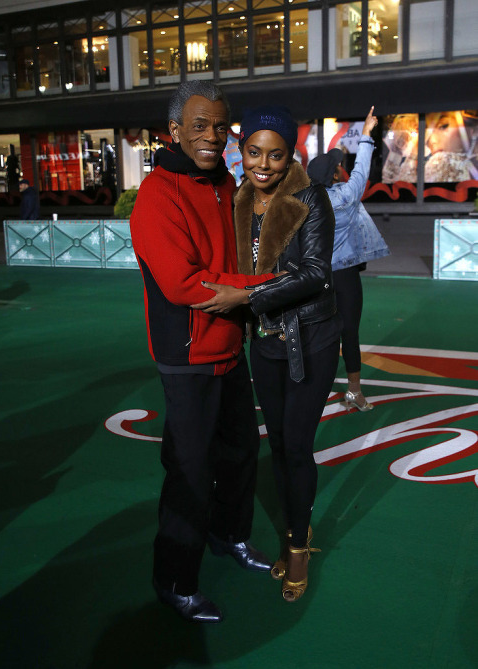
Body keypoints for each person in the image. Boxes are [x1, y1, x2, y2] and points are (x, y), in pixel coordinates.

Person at [130, 81, 276, 624]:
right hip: (188, 357)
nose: (213, 136)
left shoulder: (225, 184)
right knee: (190, 471)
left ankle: (229, 535)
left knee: (239, 456)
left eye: (220, 126)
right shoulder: (157, 193)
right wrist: (261, 288)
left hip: (230, 349)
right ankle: (174, 580)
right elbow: (181, 284)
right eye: (199, 125)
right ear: (174, 132)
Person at [191, 105, 341, 603]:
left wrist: (245, 298)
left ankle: (297, 545)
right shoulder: (237, 200)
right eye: (254, 152)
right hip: (265, 344)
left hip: (311, 339)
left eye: (275, 155)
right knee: (276, 445)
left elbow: (316, 272)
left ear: (290, 155)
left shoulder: (310, 197)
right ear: (242, 150)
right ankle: (299, 521)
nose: (263, 164)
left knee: (297, 447)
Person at [307, 106, 390, 411]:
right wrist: (366, 134)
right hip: (344, 276)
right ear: (334, 174)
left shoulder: (306, 203)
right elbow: (362, 169)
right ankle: (354, 392)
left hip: (316, 277)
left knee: (320, 333)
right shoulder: (346, 196)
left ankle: (313, 389)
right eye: (336, 165)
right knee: (349, 333)